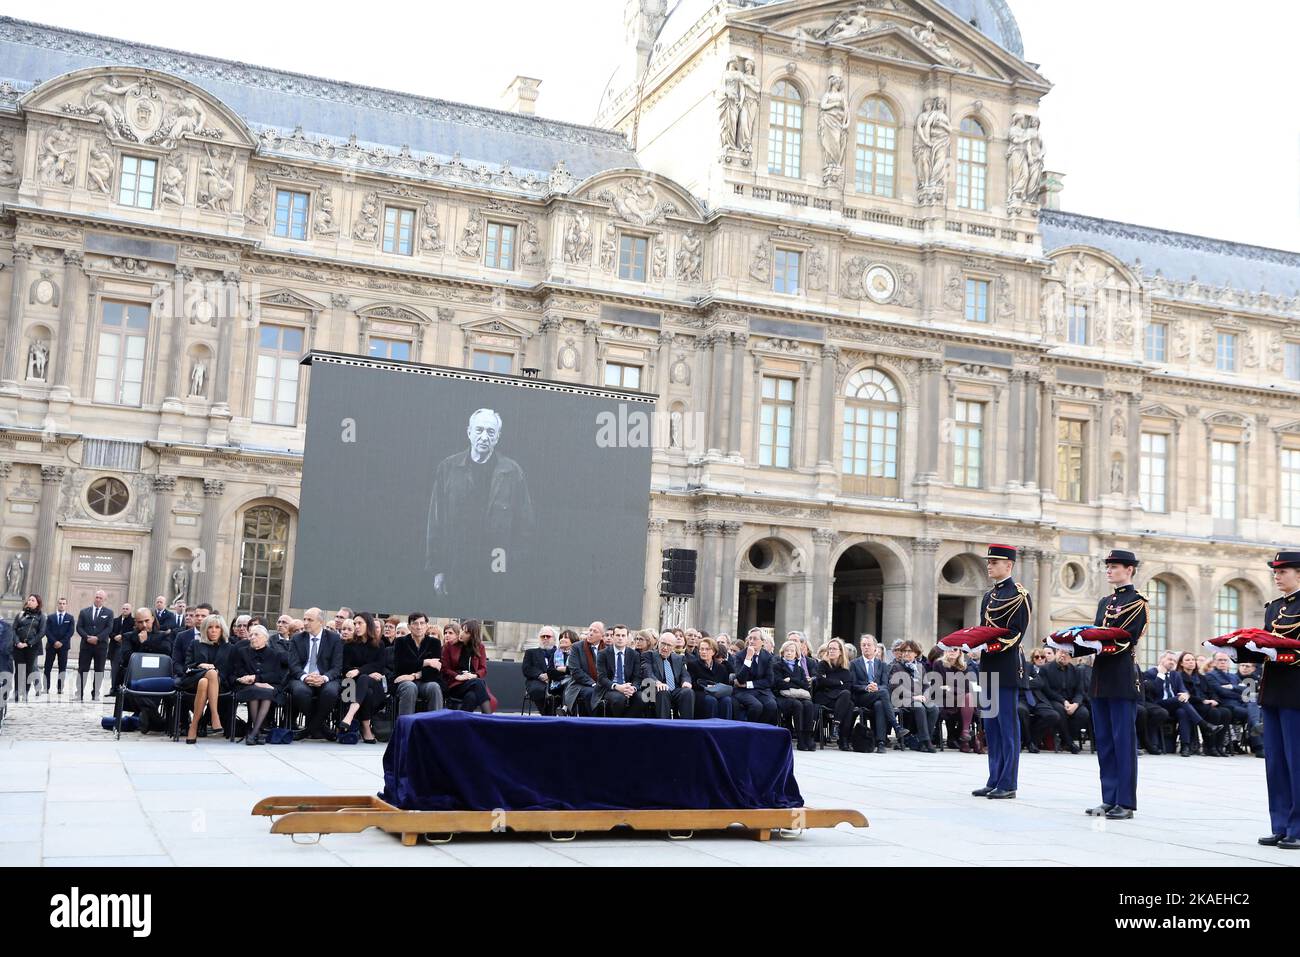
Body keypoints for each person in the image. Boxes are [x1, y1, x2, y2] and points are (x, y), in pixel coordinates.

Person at [425, 408, 535, 601]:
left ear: (498, 437)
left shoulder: (512, 472)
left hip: (496, 572)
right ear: (469, 432)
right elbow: (436, 523)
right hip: (456, 567)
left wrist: (509, 562)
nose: (484, 437)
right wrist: (438, 569)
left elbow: (525, 526)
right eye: (479, 430)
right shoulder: (448, 468)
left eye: (490, 432)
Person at [1238, 551, 1300, 848]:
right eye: (1275, 572)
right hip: (1273, 690)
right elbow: (1264, 645)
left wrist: (1282, 651)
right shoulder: (1273, 607)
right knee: (1275, 762)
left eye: (1283, 571)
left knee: (1296, 761)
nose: (1277, 576)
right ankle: (1281, 824)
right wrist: (1238, 650)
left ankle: (1298, 828)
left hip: (1297, 691)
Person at [972, 544, 1031, 799]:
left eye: (994, 562)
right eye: (989, 562)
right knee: (991, 725)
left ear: (1009, 565)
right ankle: (994, 777)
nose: (989, 566)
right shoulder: (988, 596)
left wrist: (988, 644)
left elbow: (1016, 634)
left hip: (1006, 666)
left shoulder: (1020, 595)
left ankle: (1008, 782)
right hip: (988, 666)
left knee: (1007, 726)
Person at [230, 624, 291, 745]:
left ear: (265, 638)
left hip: (269, 686)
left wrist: (259, 679)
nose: (252, 637)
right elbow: (238, 671)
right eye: (251, 635)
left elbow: (277, 675)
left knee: (266, 693)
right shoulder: (242, 652)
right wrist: (251, 680)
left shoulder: (274, 654)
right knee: (255, 692)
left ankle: (253, 732)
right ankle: (256, 732)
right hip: (246, 686)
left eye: (256, 634)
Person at [288, 608, 343, 741]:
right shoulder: (297, 639)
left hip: (326, 677)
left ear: (320, 622)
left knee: (330, 692)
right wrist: (305, 677)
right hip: (302, 677)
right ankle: (323, 728)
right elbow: (293, 665)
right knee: (300, 692)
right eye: (304, 619)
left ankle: (307, 730)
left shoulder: (334, 638)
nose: (305, 623)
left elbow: (337, 666)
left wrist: (323, 678)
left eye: (310, 620)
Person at [119, 607, 174, 734]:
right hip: (135, 677)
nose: (144, 625)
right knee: (135, 687)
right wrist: (141, 644)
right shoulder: (128, 637)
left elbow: (166, 652)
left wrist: (146, 642)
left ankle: (148, 717)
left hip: (158, 678)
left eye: (147, 621)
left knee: (157, 689)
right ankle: (158, 721)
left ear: (153, 620)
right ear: (135, 622)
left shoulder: (163, 635)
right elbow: (127, 657)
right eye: (140, 622)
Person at [181, 614, 231, 743]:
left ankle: (193, 726)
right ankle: (215, 716)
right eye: (210, 627)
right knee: (208, 675)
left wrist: (216, 672)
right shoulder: (196, 643)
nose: (213, 630)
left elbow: (229, 670)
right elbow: (186, 666)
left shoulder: (229, 647)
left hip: (220, 683)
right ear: (205, 629)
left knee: (207, 680)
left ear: (222, 630)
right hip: (194, 679)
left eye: (217, 627)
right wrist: (200, 665)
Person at [850, 634, 903, 753]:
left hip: (878, 697)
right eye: (863, 645)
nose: (866, 647)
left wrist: (876, 687)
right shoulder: (854, 664)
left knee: (880, 703)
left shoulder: (882, 665)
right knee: (883, 693)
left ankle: (880, 743)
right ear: (860, 647)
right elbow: (853, 685)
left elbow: (885, 684)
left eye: (869, 645)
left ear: (875, 648)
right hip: (862, 697)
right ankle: (896, 726)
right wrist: (867, 687)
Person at [1144, 652, 1203, 757]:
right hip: (1158, 705)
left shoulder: (1175, 674)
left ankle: (1185, 746)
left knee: (1182, 712)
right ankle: (1203, 724)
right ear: (1161, 660)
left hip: (1173, 705)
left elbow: (1182, 690)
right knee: (1179, 700)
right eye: (1169, 659)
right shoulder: (1150, 673)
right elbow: (1154, 692)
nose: (1172, 662)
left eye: (1174, 661)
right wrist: (1161, 675)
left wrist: (1186, 694)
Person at [339, 613, 386, 742]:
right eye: (355, 624)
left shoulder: (379, 644)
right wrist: (365, 672)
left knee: (365, 679)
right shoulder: (349, 645)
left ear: (368, 625)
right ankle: (366, 728)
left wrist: (359, 670)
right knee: (367, 690)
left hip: (375, 687)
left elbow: (379, 666)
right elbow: (345, 669)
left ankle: (350, 714)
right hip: (352, 686)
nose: (356, 626)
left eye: (360, 623)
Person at [391, 612, 445, 716]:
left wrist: (414, 675)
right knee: (410, 687)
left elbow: (434, 670)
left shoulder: (434, 643)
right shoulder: (400, 642)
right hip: (404, 681)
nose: (419, 627)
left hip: (426, 681)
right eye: (415, 623)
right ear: (409, 626)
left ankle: (435, 726)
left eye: (422, 623)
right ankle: (406, 727)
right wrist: (426, 662)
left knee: (434, 687)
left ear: (427, 625)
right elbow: (400, 666)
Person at [1176, 651, 1228, 757]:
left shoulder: (1201, 677)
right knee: (1213, 713)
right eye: (1187, 660)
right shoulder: (1179, 676)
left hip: (1205, 704)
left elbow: (1211, 692)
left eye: (1193, 660)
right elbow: (1185, 694)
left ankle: (1218, 746)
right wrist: (1203, 701)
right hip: (1192, 704)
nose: (1191, 662)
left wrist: (1214, 700)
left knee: (1226, 712)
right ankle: (1208, 747)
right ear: (1181, 663)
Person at [889, 640, 937, 752]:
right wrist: (913, 697)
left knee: (934, 709)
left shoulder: (920, 667)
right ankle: (926, 741)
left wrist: (925, 695)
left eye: (909, 651)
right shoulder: (897, 667)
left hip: (920, 698)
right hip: (902, 699)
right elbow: (895, 687)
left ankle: (922, 741)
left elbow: (926, 686)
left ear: (916, 653)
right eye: (904, 651)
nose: (906, 653)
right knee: (919, 706)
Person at [1041, 648, 1090, 754]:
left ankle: (1066, 741)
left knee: (1083, 713)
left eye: (1066, 654)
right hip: (1054, 700)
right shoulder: (1046, 669)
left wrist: (1076, 704)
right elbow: (1047, 690)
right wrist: (1064, 701)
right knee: (1060, 710)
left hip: (1072, 701)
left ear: (1071, 657)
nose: (1063, 655)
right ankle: (1069, 742)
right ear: (1056, 653)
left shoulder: (1076, 671)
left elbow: (1080, 691)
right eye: (1060, 652)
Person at [441, 618, 495, 713]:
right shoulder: (449, 646)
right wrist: (457, 676)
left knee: (472, 697)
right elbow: (444, 668)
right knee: (478, 683)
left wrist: (473, 675)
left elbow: (483, 669)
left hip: (471, 683)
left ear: (472, 635)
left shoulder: (480, 647)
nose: (461, 633)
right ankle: (489, 717)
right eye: (461, 630)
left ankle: (462, 723)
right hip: (454, 684)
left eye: (466, 632)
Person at [773, 640, 816, 750]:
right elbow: (779, 684)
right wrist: (797, 683)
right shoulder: (777, 666)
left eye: (792, 651)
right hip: (782, 697)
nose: (789, 653)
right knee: (798, 705)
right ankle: (800, 739)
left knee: (809, 705)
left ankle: (808, 737)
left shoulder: (800, 669)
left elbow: (806, 685)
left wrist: (791, 680)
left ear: (796, 654)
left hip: (799, 696)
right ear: (782, 653)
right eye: (786, 651)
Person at [932, 646, 977, 752]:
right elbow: (936, 687)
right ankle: (963, 739)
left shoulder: (963, 666)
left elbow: (966, 688)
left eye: (955, 649)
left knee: (968, 697)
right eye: (949, 648)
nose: (952, 651)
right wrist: (954, 689)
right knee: (966, 699)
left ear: (960, 652)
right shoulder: (938, 664)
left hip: (960, 699)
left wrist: (950, 688)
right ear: (945, 651)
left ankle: (964, 733)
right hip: (943, 699)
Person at [1019, 647, 1064, 753]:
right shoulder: (1010, 667)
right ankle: (1029, 742)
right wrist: (1028, 682)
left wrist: (1024, 683)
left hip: (1037, 698)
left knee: (1053, 715)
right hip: (1020, 699)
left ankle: (1032, 740)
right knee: (1021, 711)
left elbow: (1040, 682)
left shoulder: (1029, 666)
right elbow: (1014, 683)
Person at [814, 638, 856, 751]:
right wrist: (838, 682)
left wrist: (829, 682)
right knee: (848, 703)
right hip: (823, 697)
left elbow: (847, 687)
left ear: (841, 651)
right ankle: (843, 740)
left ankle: (836, 727)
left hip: (839, 699)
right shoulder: (823, 664)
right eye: (829, 648)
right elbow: (820, 681)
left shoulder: (845, 669)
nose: (831, 651)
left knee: (848, 700)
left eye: (834, 649)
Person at [642, 631, 694, 720]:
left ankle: (687, 726)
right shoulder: (649, 655)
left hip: (674, 690)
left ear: (673, 647)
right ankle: (663, 727)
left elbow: (685, 674)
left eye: (669, 645)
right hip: (656, 690)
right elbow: (647, 672)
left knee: (688, 692)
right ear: (658, 643)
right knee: (663, 692)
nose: (665, 648)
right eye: (663, 644)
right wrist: (657, 682)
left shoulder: (679, 658)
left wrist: (686, 682)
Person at [732, 628, 778, 724]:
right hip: (743, 691)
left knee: (771, 705)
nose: (751, 641)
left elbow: (769, 681)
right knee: (756, 706)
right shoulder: (740, 655)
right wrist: (748, 658)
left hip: (761, 691)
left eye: (755, 639)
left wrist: (748, 684)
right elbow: (740, 680)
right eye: (750, 638)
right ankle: (749, 730)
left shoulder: (767, 657)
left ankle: (761, 730)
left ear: (762, 642)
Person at [75, 590, 114, 701]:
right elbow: (79, 627)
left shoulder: (109, 613)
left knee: (99, 670)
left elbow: (109, 628)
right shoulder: (84, 612)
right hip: (86, 646)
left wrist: (98, 638)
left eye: (100, 598)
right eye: (97, 597)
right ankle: (79, 693)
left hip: (100, 646)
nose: (98, 599)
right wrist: (87, 637)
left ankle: (95, 693)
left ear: (104, 600)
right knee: (82, 669)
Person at [597, 624, 642, 718]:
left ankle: (627, 723)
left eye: (623, 636)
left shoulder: (634, 655)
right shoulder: (603, 654)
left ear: (627, 638)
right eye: (617, 635)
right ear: (613, 637)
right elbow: (602, 678)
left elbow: (637, 677)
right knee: (619, 699)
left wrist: (633, 688)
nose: (620, 638)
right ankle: (618, 725)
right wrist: (618, 687)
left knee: (643, 698)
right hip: (610, 688)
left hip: (628, 687)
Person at [688, 636, 734, 720]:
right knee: (711, 700)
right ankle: (710, 727)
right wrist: (707, 687)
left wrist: (716, 688)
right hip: (701, 693)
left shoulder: (721, 668)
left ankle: (726, 727)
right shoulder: (693, 665)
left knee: (726, 700)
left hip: (718, 693)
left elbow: (725, 684)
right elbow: (692, 683)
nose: (703, 652)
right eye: (701, 649)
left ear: (713, 652)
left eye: (707, 649)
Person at [564, 621, 605, 716]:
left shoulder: (606, 648)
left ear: (602, 636)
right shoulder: (577, 647)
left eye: (595, 631)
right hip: (580, 684)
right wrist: (593, 683)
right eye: (590, 630)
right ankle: (591, 722)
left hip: (603, 684)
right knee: (591, 693)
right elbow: (575, 671)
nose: (591, 633)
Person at [11, 594, 43, 702]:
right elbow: (13, 629)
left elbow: (41, 633)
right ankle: (16, 692)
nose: (30, 601)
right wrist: (17, 642)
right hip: (18, 646)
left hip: (31, 647)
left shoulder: (41, 616)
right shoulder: (20, 615)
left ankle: (25, 692)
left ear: (38, 603)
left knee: (29, 670)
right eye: (29, 599)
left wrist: (28, 643)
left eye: (33, 600)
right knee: (19, 670)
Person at [522, 626, 559, 713]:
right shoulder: (530, 652)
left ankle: (551, 714)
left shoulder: (559, 653)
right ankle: (546, 714)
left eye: (548, 636)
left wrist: (550, 675)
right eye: (543, 636)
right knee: (537, 690)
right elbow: (526, 669)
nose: (545, 638)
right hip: (536, 680)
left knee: (561, 691)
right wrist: (540, 675)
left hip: (555, 680)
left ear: (554, 639)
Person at [44, 596, 73, 696]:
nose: (62, 605)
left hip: (63, 647)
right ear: (58, 604)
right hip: (51, 646)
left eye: (64, 603)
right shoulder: (51, 617)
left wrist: (61, 642)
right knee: (47, 667)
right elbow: (47, 631)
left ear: (66, 605)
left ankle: (60, 688)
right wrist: (54, 642)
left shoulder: (70, 618)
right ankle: (46, 687)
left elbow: (70, 632)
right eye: (60, 603)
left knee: (62, 668)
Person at [107, 602, 133, 697]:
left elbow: (132, 632)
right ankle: (113, 688)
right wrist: (114, 637)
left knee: (124, 671)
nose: (125, 610)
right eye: (124, 608)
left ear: (130, 610)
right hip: (114, 648)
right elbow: (110, 631)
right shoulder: (115, 620)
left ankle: (123, 689)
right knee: (114, 669)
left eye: (127, 609)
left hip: (125, 649)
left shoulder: (133, 621)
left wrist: (122, 636)